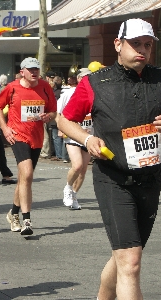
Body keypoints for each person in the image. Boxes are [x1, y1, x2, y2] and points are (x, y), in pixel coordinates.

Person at [58, 19, 161, 299]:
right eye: (135, 44)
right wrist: (87, 139)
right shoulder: (94, 82)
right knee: (131, 263)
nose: (142, 50)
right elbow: (64, 120)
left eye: (147, 44)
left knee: (126, 257)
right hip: (113, 179)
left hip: (150, 180)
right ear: (118, 44)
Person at [0, 57, 57, 235]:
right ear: (22, 71)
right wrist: (5, 128)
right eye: (30, 69)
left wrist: (48, 117)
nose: (34, 72)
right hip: (18, 136)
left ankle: (13, 213)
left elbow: (53, 111)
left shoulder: (45, 87)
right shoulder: (12, 87)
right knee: (27, 173)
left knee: (24, 178)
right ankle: (27, 220)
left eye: (37, 69)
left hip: (36, 137)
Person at [59, 68, 93, 209]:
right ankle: (68, 188)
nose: (88, 80)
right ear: (79, 79)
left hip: (90, 135)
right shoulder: (69, 93)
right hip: (73, 135)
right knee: (77, 165)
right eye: (85, 77)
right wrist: (61, 128)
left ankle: (74, 194)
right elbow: (59, 112)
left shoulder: (96, 93)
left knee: (83, 169)